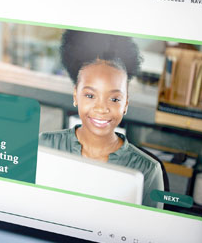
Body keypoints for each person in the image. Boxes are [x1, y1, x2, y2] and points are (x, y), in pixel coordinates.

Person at [39, 30, 164, 208]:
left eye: (114, 99)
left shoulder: (148, 171)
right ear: (76, 95)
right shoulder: (43, 146)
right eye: (90, 95)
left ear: (126, 103)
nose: (101, 108)